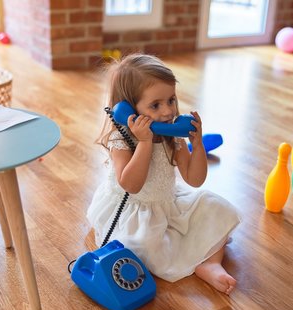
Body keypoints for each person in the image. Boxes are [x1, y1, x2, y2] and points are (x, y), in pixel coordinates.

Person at [87, 54, 240, 295]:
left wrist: (197, 145)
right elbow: (131, 185)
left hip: (168, 203)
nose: (168, 111)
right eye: (156, 105)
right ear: (128, 109)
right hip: (135, 209)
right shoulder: (122, 140)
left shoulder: (172, 136)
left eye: (171, 100)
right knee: (141, 246)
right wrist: (145, 143)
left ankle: (211, 262)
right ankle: (196, 258)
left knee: (217, 209)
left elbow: (194, 178)